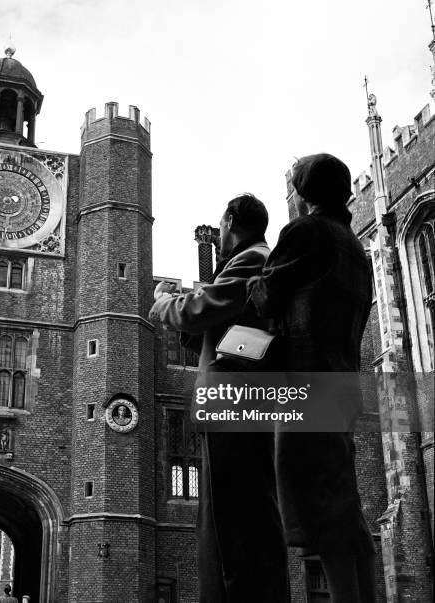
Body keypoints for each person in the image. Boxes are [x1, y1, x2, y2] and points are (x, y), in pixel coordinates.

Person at [247, 153, 376, 603]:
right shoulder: (356, 246)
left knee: (321, 510)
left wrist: (252, 282)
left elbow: (265, 294)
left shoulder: (306, 231)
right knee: (344, 504)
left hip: (307, 380)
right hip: (343, 384)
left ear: (303, 195)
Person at [149, 194, 287, 602]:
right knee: (239, 511)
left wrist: (162, 303)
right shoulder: (261, 261)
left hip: (232, 402)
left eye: (221, 225)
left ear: (230, 221)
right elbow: (237, 342)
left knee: (230, 519)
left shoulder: (252, 259)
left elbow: (198, 309)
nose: (220, 233)